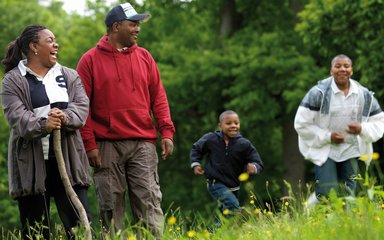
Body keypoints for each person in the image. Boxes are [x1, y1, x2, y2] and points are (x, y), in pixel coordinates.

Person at [76, 2, 175, 238]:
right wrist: (89, 145)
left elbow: (158, 97)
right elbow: (81, 107)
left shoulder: (145, 57)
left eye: (138, 24)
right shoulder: (89, 61)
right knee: (110, 208)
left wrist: (167, 132)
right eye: (133, 24)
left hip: (143, 143)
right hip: (106, 146)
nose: (137, 29)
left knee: (149, 203)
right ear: (116, 26)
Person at [1, 25, 91, 240]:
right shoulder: (13, 80)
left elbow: (81, 106)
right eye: (50, 40)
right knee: (36, 232)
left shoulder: (69, 75)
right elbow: (17, 116)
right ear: (34, 47)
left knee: (79, 227)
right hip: (31, 165)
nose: (56, 44)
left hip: (68, 163)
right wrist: (44, 124)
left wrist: (65, 117)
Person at [294, 54, 384, 208]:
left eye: (346, 66)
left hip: (351, 149)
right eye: (338, 66)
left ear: (352, 70)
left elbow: (380, 121)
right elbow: (301, 123)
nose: (342, 69)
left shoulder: (363, 94)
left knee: (350, 194)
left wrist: (362, 128)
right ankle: (312, 210)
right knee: (328, 191)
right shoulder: (318, 93)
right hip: (326, 149)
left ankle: (346, 224)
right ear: (331, 71)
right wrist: (328, 137)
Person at [190, 110, 263, 219]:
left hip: (234, 185)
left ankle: (214, 233)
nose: (233, 126)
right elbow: (196, 148)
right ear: (220, 126)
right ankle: (245, 219)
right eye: (228, 123)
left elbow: (257, 161)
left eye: (236, 123)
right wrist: (196, 165)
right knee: (234, 207)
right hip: (215, 183)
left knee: (224, 214)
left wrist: (254, 167)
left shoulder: (244, 144)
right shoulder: (211, 139)